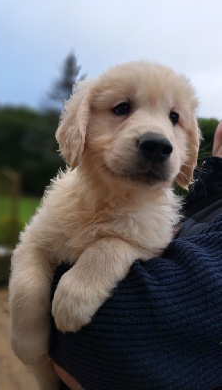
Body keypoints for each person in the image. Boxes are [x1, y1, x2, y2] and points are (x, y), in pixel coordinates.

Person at [49, 121, 222, 390]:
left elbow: (99, 343)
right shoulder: (201, 194)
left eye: (174, 117)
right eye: (121, 109)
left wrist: (50, 270)